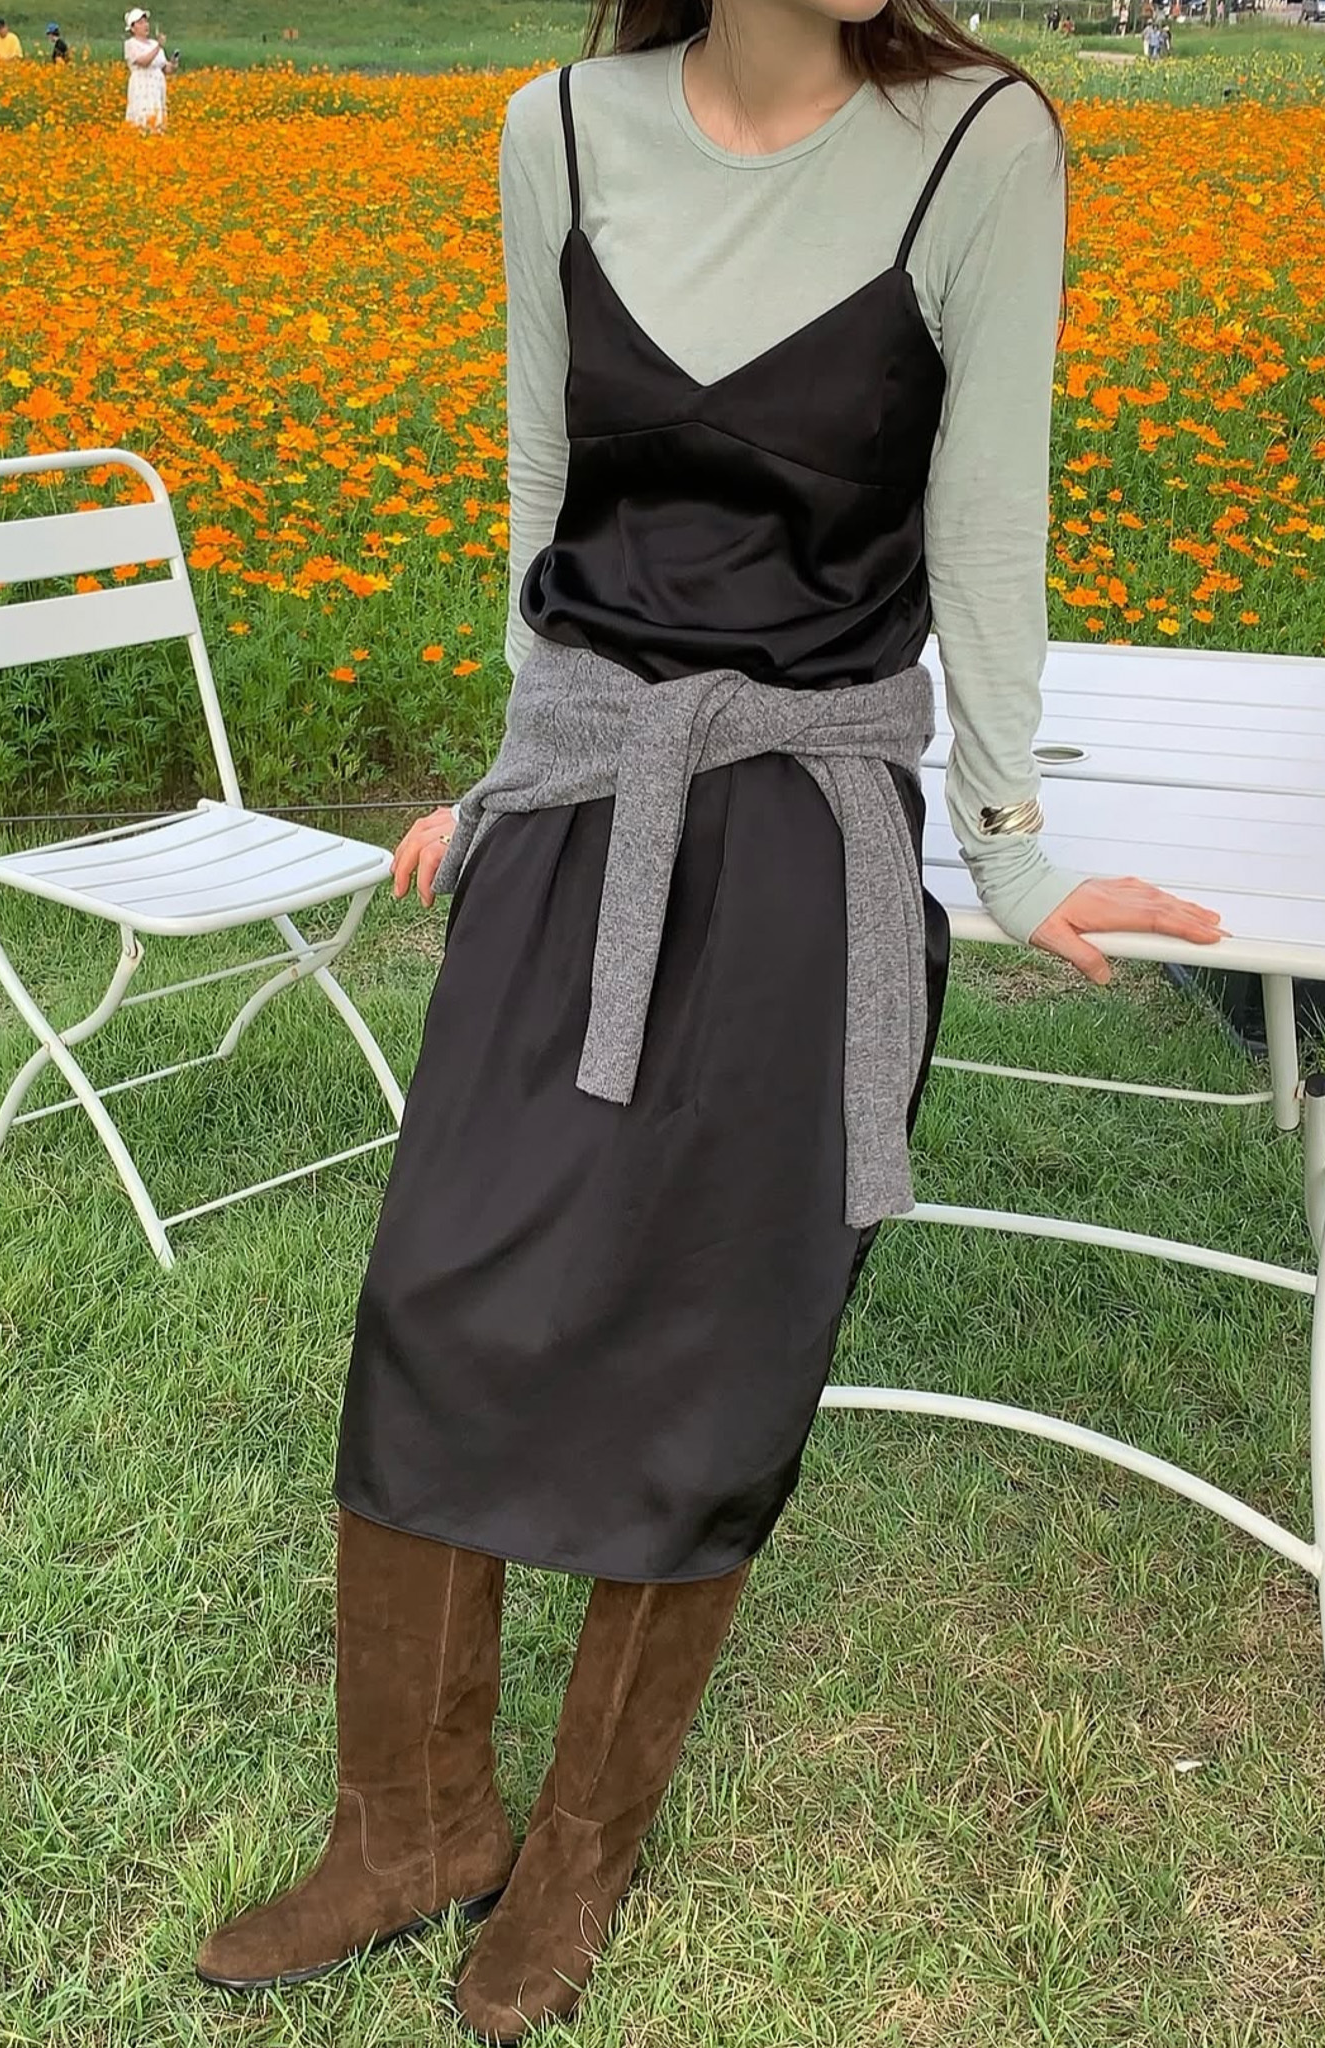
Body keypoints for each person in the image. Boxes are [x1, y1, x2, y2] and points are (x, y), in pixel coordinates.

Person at [195, 1, 1224, 2037]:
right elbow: (543, 481)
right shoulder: (558, 132)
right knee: (441, 1288)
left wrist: (1013, 850)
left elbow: (985, 524)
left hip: (806, 828)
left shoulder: (981, 147)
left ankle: (578, 1852)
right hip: (585, 789)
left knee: (705, 1339)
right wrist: (514, 771)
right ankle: (412, 1824)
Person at [123, 9, 175, 128]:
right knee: (142, 115)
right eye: (140, 23)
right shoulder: (131, 44)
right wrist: (158, 47)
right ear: (133, 28)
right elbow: (144, 62)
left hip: (156, 87)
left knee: (157, 116)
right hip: (142, 85)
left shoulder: (153, 44)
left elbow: (165, 69)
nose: (145, 25)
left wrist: (173, 63)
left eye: (146, 22)